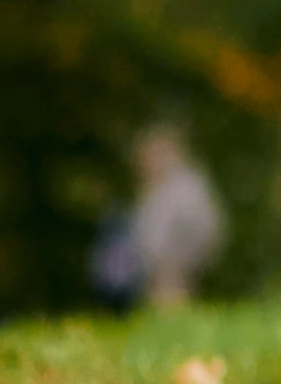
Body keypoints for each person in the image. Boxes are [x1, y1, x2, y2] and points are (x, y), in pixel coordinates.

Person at [89, 125, 224, 309]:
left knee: (170, 291)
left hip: (173, 257)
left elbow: (196, 227)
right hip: (157, 261)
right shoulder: (158, 187)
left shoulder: (182, 186)